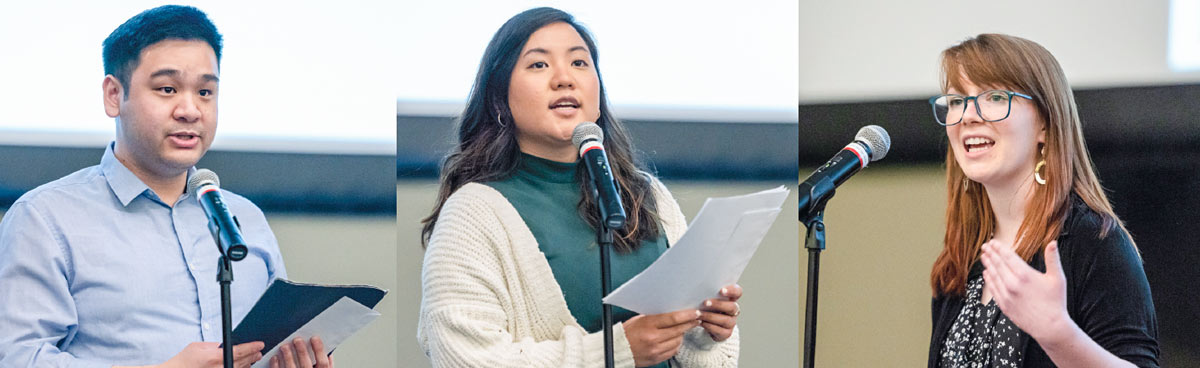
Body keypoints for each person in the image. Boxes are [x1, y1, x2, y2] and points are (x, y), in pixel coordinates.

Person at [0, 6, 330, 368]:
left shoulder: (245, 219)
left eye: (205, 92)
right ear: (114, 95)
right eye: (167, 89)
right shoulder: (45, 219)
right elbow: (18, 357)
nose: (190, 110)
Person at [417, 7, 741, 368]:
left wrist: (706, 331)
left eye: (579, 63)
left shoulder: (646, 195)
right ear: (498, 101)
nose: (564, 79)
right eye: (539, 65)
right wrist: (617, 352)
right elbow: (466, 360)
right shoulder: (472, 214)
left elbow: (703, 354)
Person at [925, 34, 1159, 367]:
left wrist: (1059, 335)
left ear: (1045, 125)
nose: (968, 116)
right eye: (957, 101)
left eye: (994, 96)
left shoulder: (1093, 241)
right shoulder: (959, 261)